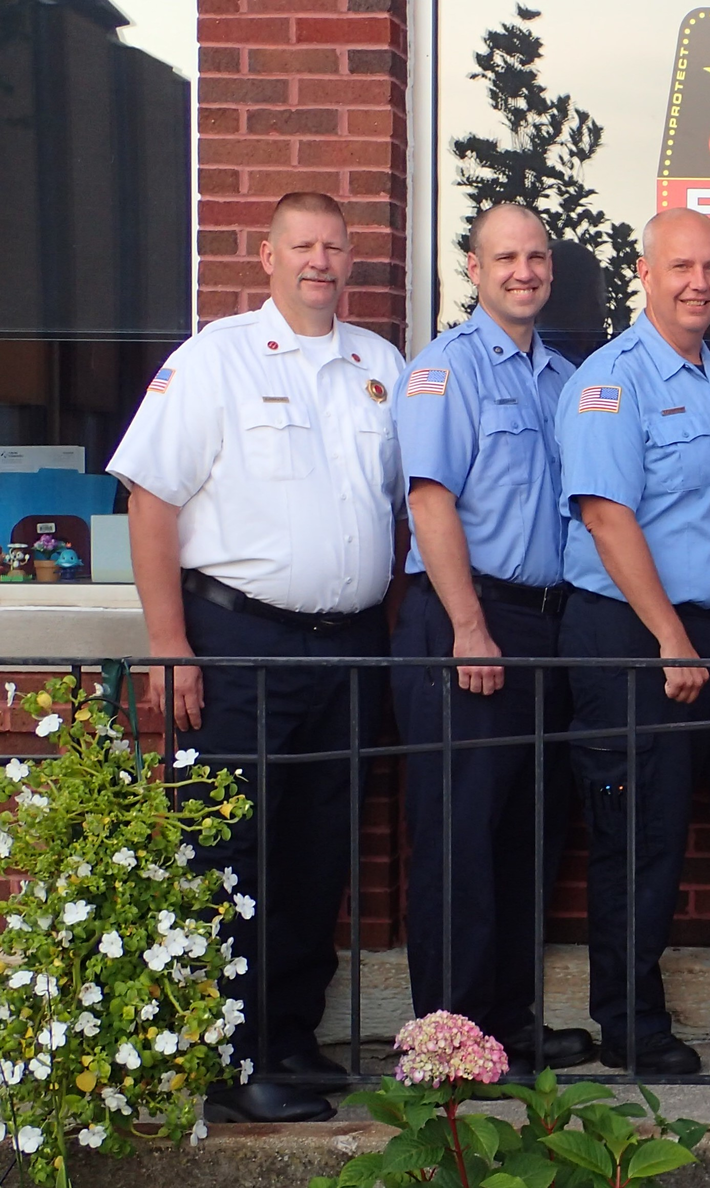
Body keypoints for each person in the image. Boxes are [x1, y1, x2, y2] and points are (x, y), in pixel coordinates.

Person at [108, 192, 406, 1122]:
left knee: (320, 857)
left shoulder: (380, 364)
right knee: (233, 854)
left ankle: (289, 1039)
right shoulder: (215, 358)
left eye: (334, 247)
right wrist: (169, 647)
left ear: (350, 260)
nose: (320, 261)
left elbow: (406, 507)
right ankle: (228, 1059)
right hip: (240, 643)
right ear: (267, 256)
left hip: (350, 650)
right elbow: (150, 502)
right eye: (302, 246)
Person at [553, 208, 710, 1075]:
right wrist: (670, 638)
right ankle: (632, 1026)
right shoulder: (610, 383)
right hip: (639, 637)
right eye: (680, 266)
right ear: (645, 275)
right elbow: (607, 518)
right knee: (642, 836)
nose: (699, 282)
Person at [390, 203, 593, 1072]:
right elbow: (429, 499)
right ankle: (450, 1039)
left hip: (544, 626)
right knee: (458, 839)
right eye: (505, 257)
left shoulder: (563, 377)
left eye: (537, 256)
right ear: (472, 268)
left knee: (527, 837)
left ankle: (508, 1025)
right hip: (467, 621)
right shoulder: (447, 369)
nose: (524, 271)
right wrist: (469, 627)